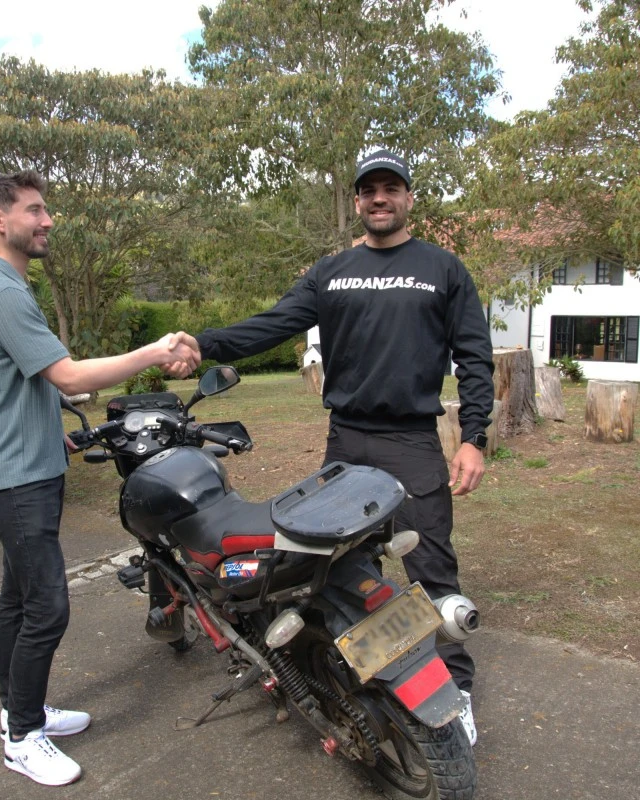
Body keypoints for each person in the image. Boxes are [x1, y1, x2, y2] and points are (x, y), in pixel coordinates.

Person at [192, 149, 494, 746]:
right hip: (347, 440)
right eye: (368, 190)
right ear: (357, 202)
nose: (379, 198)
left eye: (391, 188)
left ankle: (453, 690)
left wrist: (475, 438)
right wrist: (199, 345)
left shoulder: (443, 268)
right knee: (349, 567)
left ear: (408, 197)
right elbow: (271, 325)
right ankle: (379, 670)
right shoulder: (332, 272)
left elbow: (475, 358)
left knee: (430, 565)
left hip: (411, 440)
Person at [0, 170, 200, 786]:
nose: (46, 221)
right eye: (35, 210)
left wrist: (58, 435)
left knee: (18, 601)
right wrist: (152, 353)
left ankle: (21, 710)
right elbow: (68, 377)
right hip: (17, 481)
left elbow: (2, 387)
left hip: (22, 467)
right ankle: (22, 737)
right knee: (46, 607)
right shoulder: (3, 292)